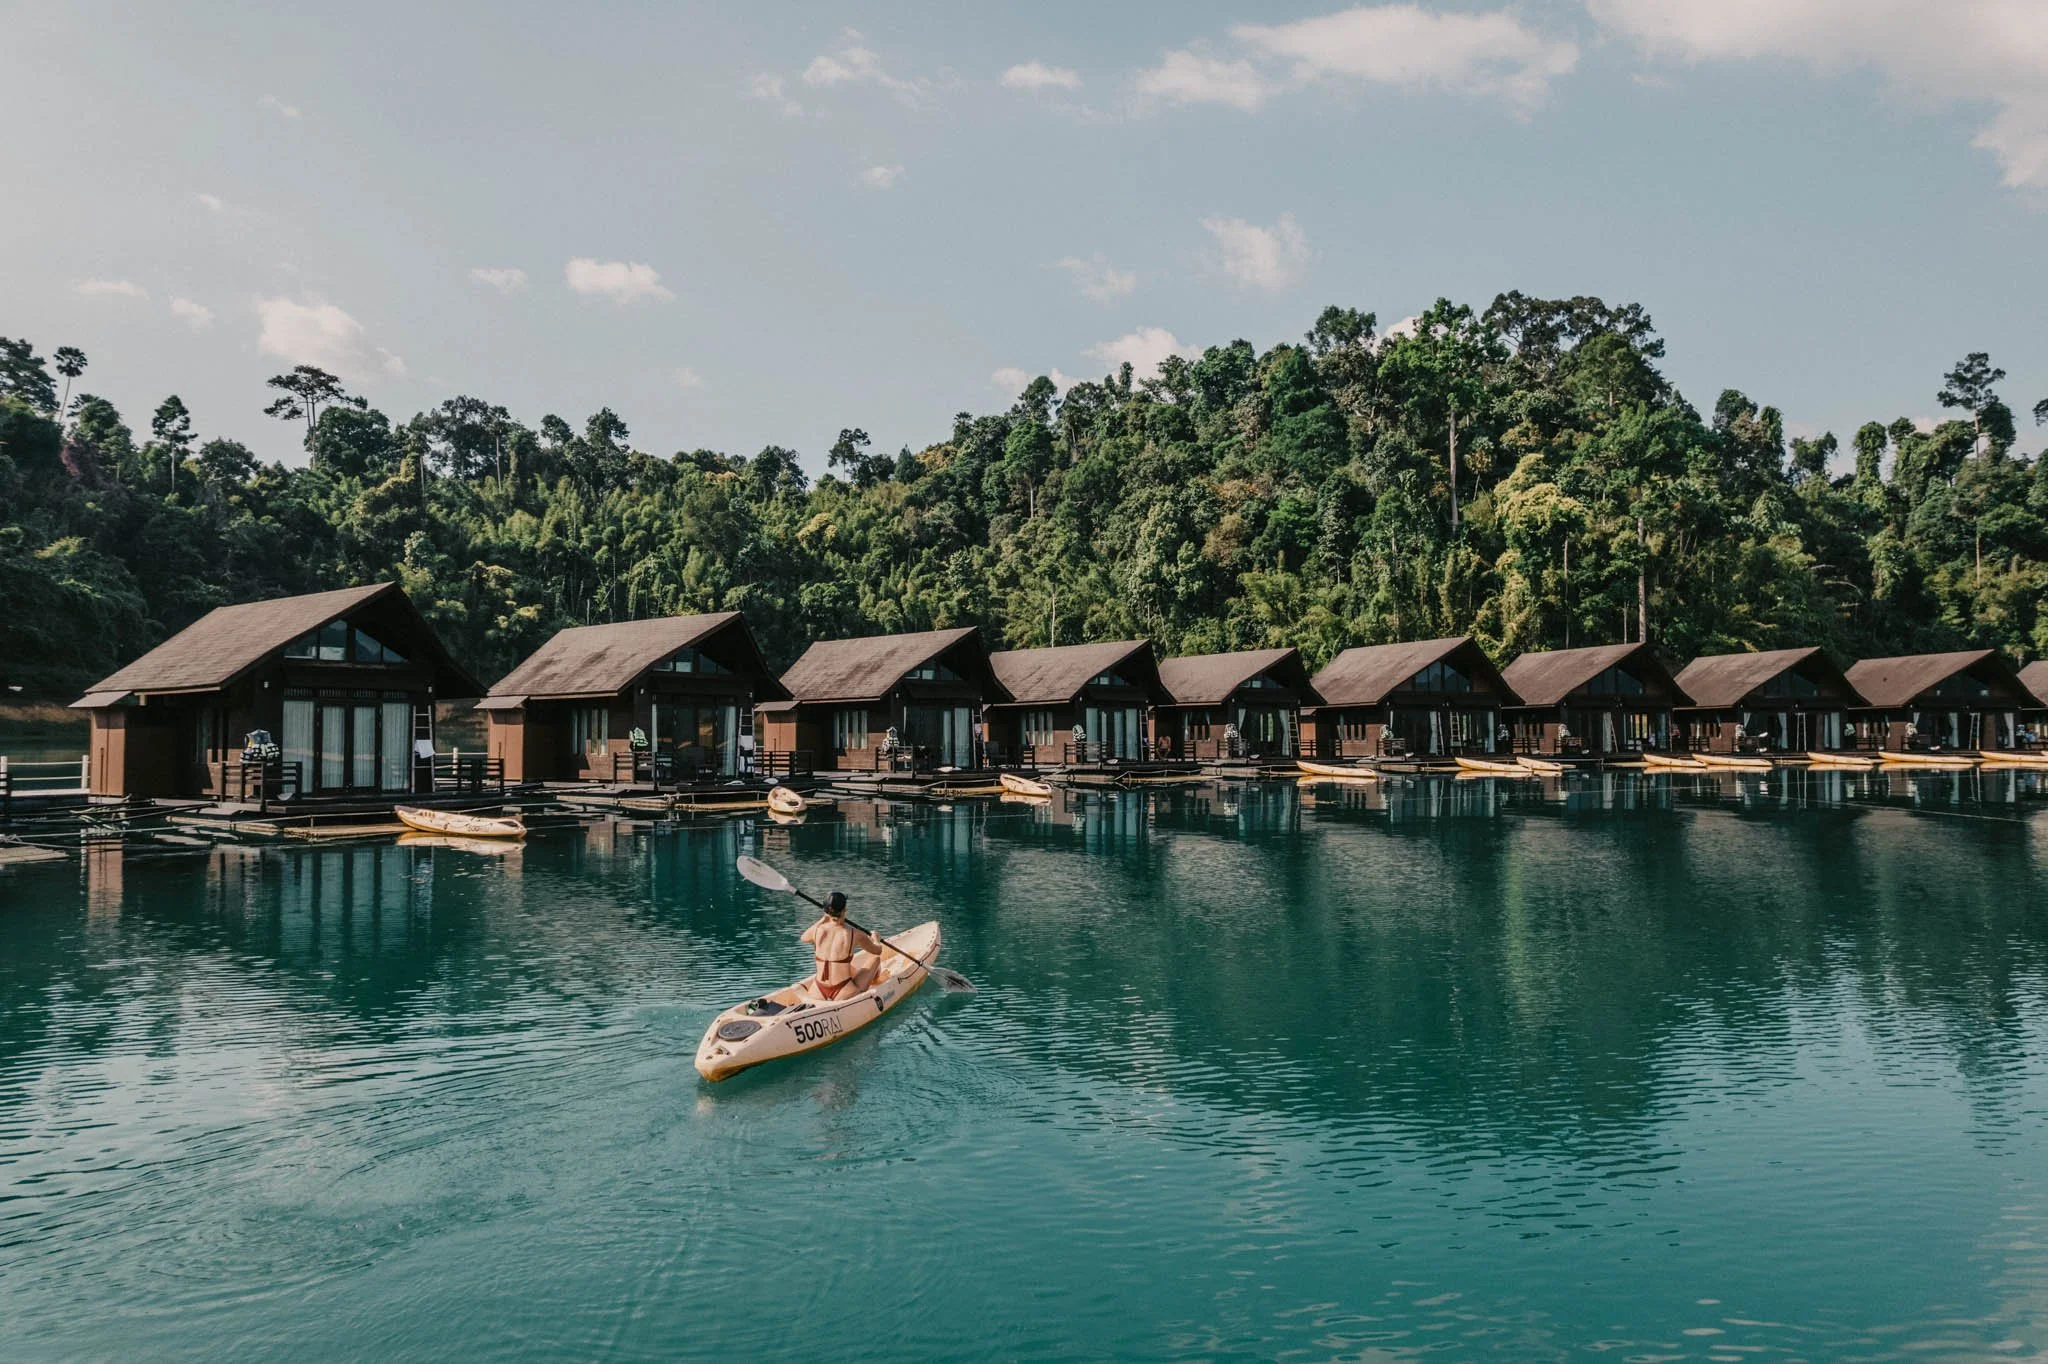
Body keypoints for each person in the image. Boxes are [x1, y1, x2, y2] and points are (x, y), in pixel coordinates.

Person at [801, 892, 885, 1000]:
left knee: (846, 966)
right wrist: (876, 939)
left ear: (827, 911)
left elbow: (803, 937)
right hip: (843, 992)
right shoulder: (855, 934)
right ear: (844, 909)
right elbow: (877, 951)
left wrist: (823, 919)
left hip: (817, 991)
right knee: (875, 959)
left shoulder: (818, 930)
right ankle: (876, 981)